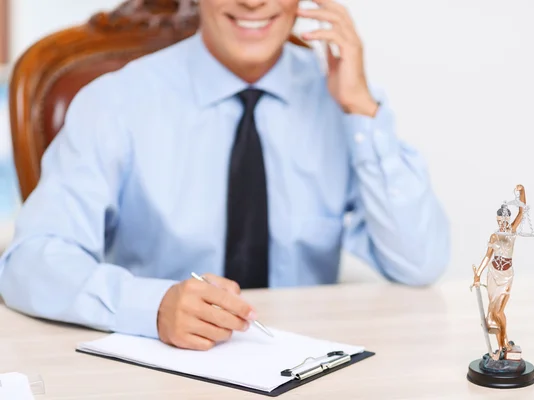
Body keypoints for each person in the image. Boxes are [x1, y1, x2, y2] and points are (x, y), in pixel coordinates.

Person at [0, 0, 450, 350]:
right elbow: (29, 262)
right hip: (162, 372)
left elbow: (419, 262)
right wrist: (150, 306)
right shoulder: (115, 102)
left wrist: (361, 109)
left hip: (306, 368)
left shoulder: (341, 99)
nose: (253, 3)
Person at [472, 185, 526, 358]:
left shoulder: (512, 230)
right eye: (498, 221)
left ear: (507, 220)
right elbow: (488, 256)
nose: (500, 223)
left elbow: (522, 212)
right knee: (493, 312)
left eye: (502, 220)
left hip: (506, 275)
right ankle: (502, 345)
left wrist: (522, 191)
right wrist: (478, 273)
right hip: (493, 274)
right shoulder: (494, 236)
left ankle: (504, 346)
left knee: (498, 311)